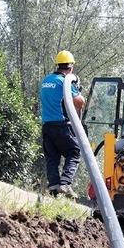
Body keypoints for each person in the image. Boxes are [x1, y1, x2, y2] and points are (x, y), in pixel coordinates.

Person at [40, 50, 85, 198]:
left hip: (47, 126)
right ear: (71, 67)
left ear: (58, 64)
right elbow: (80, 102)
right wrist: (76, 89)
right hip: (61, 125)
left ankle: (53, 187)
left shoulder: (46, 80)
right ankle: (65, 183)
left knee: (52, 157)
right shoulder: (64, 81)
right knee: (74, 152)